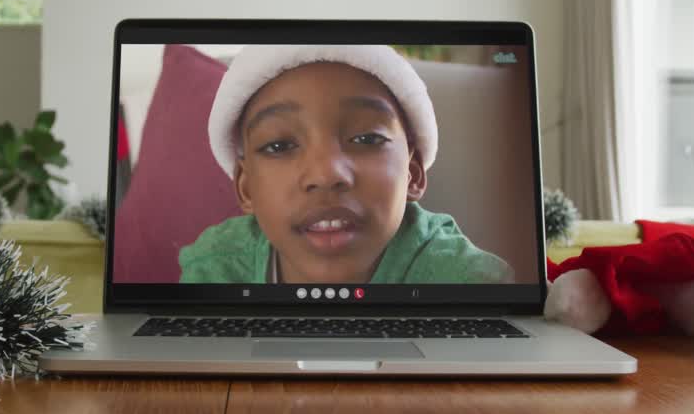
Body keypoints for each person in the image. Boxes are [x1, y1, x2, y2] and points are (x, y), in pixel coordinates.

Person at [179, 45, 513, 284]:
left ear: (413, 173)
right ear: (246, 187)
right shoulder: (216, 267)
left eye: (367, 139)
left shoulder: (464, 279)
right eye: (280, 145)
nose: (327, 174)